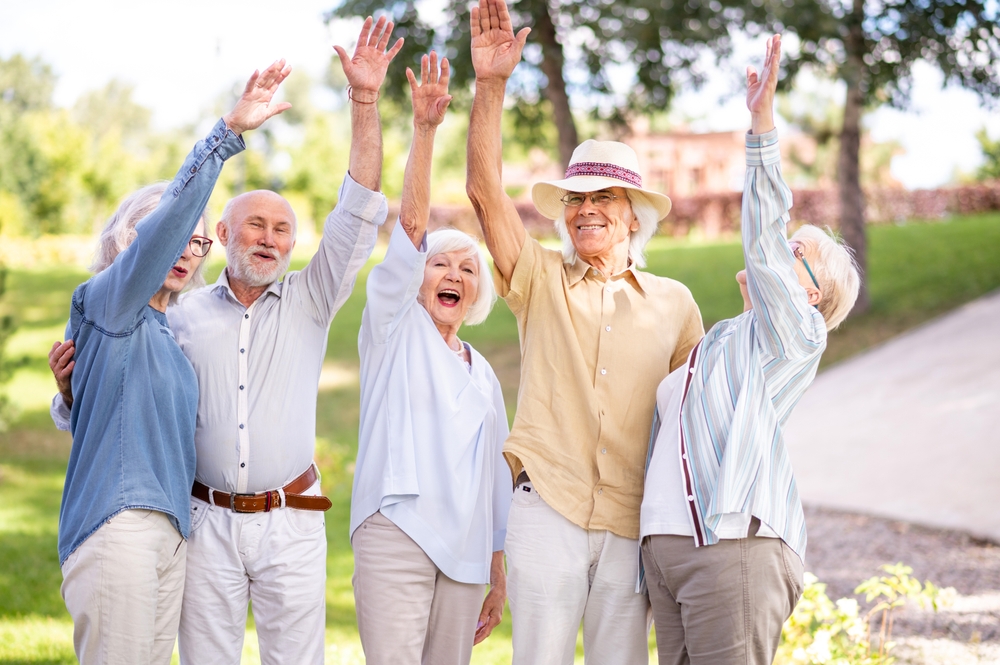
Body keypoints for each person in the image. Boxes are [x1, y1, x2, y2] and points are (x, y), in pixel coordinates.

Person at [49, 17, 401, 664]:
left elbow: (358, 207)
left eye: (283, 229)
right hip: (201, 521)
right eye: (254, 225)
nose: (270, 237)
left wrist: (365, 102)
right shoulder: (172, 317)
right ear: (226, 234)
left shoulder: (310, 298)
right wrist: (73, 391)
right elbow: (122, 400)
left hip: (291, 515)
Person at [465, 0, 704, 661]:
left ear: (634, 219)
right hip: (548, 508)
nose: (587, 208)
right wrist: (490, 87)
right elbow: (485, 194)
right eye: (576, 198)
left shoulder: (676, 304)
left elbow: (695, 421)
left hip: (633, 521)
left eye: (604, 198)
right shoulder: (539, 279)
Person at [50, 61, 290, 665]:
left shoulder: (163, 328)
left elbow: (115, 417)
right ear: (129, 239)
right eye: (170, 234)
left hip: (170, 534)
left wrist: (73, 395)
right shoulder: (110, 296)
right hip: (119, 528)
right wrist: (225, 135)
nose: (186, 247)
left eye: (198, 240)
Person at [638, 35, 861, 665]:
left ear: (812, 298)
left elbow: (762, 238)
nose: (780, 252)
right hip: (671, 554)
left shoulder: (795, 335)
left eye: (798, 255)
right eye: (790, 244)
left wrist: (760, 126)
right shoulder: (723, 340)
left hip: (732, 550)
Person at [350, 51, 511, 665]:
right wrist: (425, 132)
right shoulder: (393, 328)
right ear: (416, 278)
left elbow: (497, 480)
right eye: (440, 263)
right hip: (396, 531)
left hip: (468, 553)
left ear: (476, 292)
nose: (453, 274)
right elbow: (412, 225)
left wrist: (498, 571)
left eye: (468, 269)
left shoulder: (483, 372)